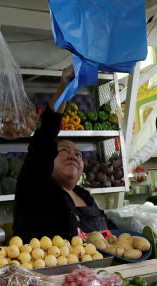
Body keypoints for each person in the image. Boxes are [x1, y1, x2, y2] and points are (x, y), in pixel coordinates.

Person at [12, 67, 115, 241]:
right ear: (49, 158)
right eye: (64, 151)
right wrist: (64, 89)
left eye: (79, 155)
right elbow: (45, 136)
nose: (73, 156)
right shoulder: (36, 187)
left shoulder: (84, 195)